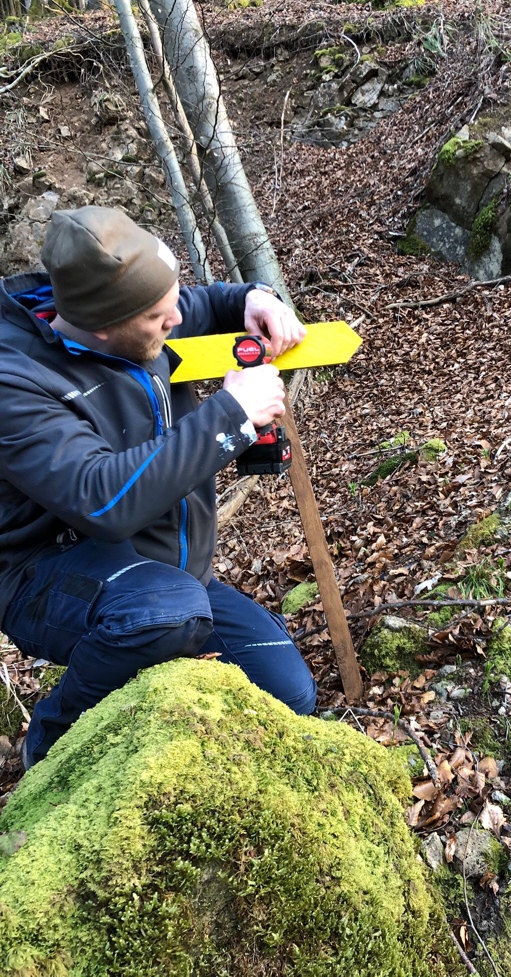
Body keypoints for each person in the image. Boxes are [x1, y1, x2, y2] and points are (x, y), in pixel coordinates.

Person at [0, 204, 317, 769]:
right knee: (162, 614)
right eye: (158, 317)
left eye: (172, 304)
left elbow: (200, 304)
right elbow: (102, 500)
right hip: (43, 574)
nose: (174, 321)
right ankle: (47, 744)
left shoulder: (139, 314)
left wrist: (252, 297)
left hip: (168, 574)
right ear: (103, 326)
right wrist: (232, 417)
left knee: (288, 692)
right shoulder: (16, 381)